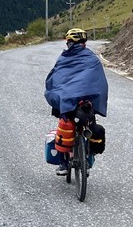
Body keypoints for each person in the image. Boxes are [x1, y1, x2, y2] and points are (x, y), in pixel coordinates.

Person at [45, 27, 108, 176]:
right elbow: (99, 82)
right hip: (87, 103)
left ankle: (63, 164)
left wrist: (58, 96)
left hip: (69, 102)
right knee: (90, 125)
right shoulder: (92, 58)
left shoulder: (64, 58)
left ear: (69, 42)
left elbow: (55, 79)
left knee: (65, 125)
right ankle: (86, 157)